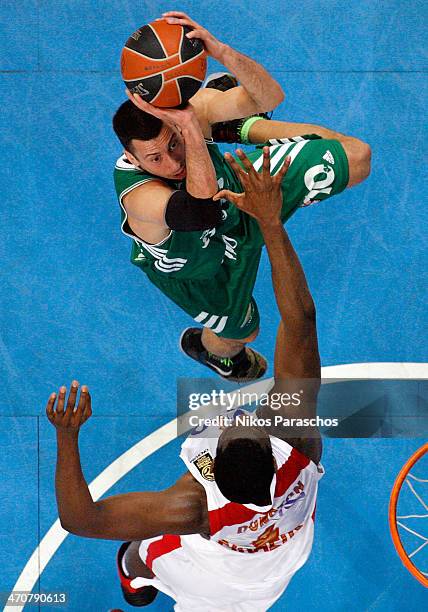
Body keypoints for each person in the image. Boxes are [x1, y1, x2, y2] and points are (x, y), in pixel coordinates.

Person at [48, 149, 325, 610]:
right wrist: (271, 224)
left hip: (216, 575)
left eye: (231, 427)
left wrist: (66, 435)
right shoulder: (298, 441)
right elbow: (302, 322)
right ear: (273, 453)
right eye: (251, 423)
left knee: (138, 554)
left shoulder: (192, 508)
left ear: (209, 472)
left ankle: (134, 584)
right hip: (284, 557)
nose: (241, 416)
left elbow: (82, 520)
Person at [113, 11, 370, 382]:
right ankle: (216, 354)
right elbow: (201, 210)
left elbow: (270, 95)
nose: (171, 163)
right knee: (241, 334)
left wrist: (221, 51)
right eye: (155, 158)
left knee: (356, 157)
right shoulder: (139, 197)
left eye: (174, 145)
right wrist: (189, 128)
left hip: (241, 199)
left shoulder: (186, 118)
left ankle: (243, 127)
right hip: (200, 269)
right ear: (133, 158)